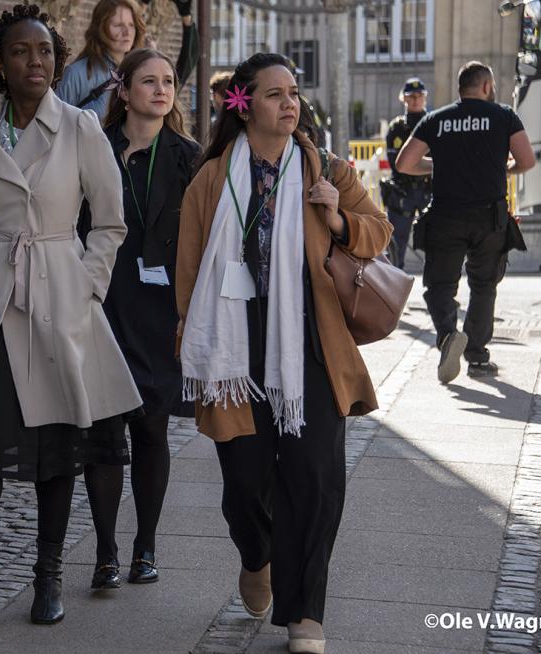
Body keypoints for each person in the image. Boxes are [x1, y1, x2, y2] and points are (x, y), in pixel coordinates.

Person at [0, 4, 142, 639]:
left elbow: (109, 222)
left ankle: (47, 577)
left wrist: (87, 286)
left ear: (57, 61)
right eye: (21, 51)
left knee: (55, 448)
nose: (35, 62)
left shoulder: (80, 127)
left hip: (57, 297)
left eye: (44, 52)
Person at [175, 53, 391, 654]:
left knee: (315, 479)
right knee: (245, 485)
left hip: (312, 345)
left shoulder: (325, 169)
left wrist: (339, 217)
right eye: (274, 94)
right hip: (234, 347)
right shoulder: (213, 179)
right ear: (244, 105)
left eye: (293, 92)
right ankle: (257, 555)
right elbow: (188, 275)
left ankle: (305, 614)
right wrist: (187, 346)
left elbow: (378, 231)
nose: (289, 103)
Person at [76, 48, 201, 590]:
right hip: (103, 301)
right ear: (123, 91)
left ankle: (145, 547)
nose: (161, 90)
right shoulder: (92, 148)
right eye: (148, 81)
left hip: (161, 310)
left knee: (152, 429)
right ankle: (104, 551)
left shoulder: (189, 157)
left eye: (168, 81)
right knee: (104, 433)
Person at [396, 61, 534, 383]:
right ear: (486, 86)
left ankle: (447, 335)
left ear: (461, 88)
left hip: (446, 215)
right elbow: (526, 160)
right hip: (489, 217)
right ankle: (477, 357)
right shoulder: (504, 116)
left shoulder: (437, 119)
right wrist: (503, 169)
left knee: (439, 285)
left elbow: (404, 163)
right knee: (484, 286)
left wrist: (441, 165)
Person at [55, 0, 199, 123]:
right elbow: (55, 126)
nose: (127, 32)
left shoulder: (142, 73)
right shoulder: (77, 74)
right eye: (118, 25)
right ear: (101, 28)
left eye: (131, 25)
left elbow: (185, 68)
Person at [383, 77, 432, 269]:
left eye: (419, 96)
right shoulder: (397, 128)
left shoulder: (433, 123)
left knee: (436, 241)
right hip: (403, 192)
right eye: (411, 96)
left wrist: (415, 164)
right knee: (396, 244)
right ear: (403, 99)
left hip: (429, 189)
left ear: (425, 98)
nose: (416, 100)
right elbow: (397, 164)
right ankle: (393, 288)